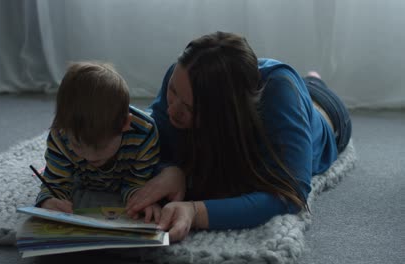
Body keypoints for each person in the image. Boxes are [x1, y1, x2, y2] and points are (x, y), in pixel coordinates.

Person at [125, 31, 352, 241]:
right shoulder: (181, 79)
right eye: (172, 92)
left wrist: (195, 211)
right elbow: (149, 143)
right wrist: (170, 170)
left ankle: (314, 80)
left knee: (307, 89)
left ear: (228, 113)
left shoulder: (281, 95)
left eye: (190, 108)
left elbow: (291, 194)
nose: (172, 109)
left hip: (324, 112)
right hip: (258, 88)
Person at [36, 62, 162, 223]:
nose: (89, 156)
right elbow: (55, 183)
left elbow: (137, 183)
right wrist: (48, 201)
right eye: (77, 144)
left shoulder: (145, 134)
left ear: (124, 124)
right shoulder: (61, 133)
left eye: (100, 146)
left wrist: (141, 201)